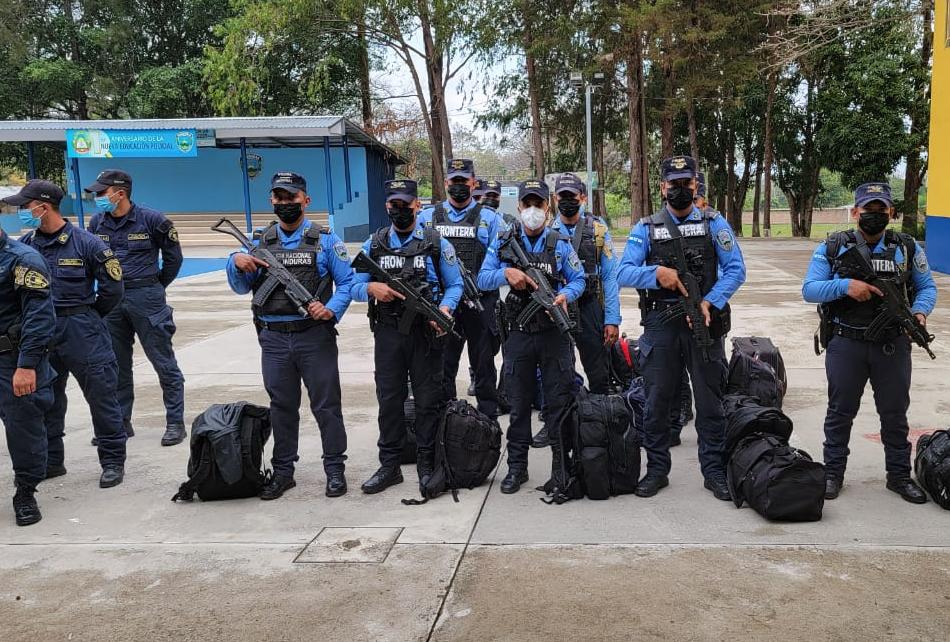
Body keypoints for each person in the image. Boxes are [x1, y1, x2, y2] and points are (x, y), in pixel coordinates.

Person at [617, 155, 746, 500]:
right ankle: (657, 470)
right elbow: (622, 272)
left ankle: (714, 471)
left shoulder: (714, 223)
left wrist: (710, 301)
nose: (679, 190)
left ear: (696, 185)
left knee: (709, 402)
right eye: (673, 184)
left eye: (686, 184)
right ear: (662, 187)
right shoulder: (646, 228)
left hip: (702, 323)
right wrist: (656, 275)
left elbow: (736, 269)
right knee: (657, 401)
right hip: (660, 324)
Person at [802, 182, 936, 504]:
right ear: (855, 212)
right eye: (868, 209)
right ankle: (833, 474)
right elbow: (810, 289)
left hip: (892, 345)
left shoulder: (907, 248)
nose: (874, 215)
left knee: (894, 414)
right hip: (846, 342)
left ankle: (899, 477)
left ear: (890, 212)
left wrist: (919, 313)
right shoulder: (834, 246)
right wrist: (846, 286)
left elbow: (927, 287)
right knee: (840, 412)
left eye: (880, 209)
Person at [226, 172, 354, 500]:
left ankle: (335, 469)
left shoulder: (327, 241)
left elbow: (348, 283)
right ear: (272, 200)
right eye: (279, 198)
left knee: (326, 405)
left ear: (305, 200)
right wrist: (236, 264)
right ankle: (284, 472)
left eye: (291, 198)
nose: (285, 204)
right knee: (281, 406)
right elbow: (242, 288)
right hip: (273, 337)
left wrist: (331, 309)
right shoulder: (259, 241)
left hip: (314, 336)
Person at [8, 181, 127, 489]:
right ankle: (52, 461)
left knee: (101, 397)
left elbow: (113, 289)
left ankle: (112, 461)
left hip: (80, 328)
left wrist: (89, 317)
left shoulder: (87, 244)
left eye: (25, 206)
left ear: (42, 207)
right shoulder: (24, 246)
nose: (22, 212)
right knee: (46, 399)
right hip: (39, 333)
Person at [351, 179, 463, 494]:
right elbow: (351, 284)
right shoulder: (374, 243)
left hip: (426, 333)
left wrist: (445, 308)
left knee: (428, 401)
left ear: (417, 205)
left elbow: (455, 284)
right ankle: (389, 465)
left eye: (405, 204)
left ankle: (427, 463)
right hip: (388, 334)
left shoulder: (436, 242)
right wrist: (371, 288)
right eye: (393, 204)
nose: (399, 209)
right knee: (389, 400)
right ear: (387, 206)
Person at [477, 178, 585, 494]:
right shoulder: (503, 241)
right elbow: (483, 278)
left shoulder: (559, 242)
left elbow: (579, 278)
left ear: (546, 207)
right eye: (529, 204)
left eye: (539, 204)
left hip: (553, 334)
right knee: (520, 403)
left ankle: (560, 469)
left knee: (558, 403)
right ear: (520, 207)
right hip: (519, 334)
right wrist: (505, 274)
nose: (534, 210)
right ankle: (516, 469)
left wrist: (565, 294)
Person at [85, 170, 186, 446]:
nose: (98, 198)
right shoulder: (96, 223)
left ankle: (175, 422)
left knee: (163, 362)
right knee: (116, 364)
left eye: (102, 193)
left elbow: (174, 259)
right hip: (111, 300)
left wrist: (154, 286)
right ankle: (121, 423)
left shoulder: (152, 220)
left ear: (120, 192)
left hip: (146, 296)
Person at [419, 159, 507, 420]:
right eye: (454, 180)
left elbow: (501, 260)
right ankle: (447, 418)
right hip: (443, 303)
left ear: (473, 183)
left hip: (480, 302)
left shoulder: (491, 219)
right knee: (443, 362)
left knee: (484, 363)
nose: (458, 185)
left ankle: (487, 418)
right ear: (446, 182)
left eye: (463, 181)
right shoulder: (428, 217)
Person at [0, 203, 56, 525]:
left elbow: (39, 318)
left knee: (24, 430)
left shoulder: (23, 260)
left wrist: (27, 365)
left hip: (12, 361)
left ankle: (25, 492)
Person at [550, 172, 620, 395]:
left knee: (598, 371)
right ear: (555, 199)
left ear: (583, 198)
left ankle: (600, 418)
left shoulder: (598, 230)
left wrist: (611, 319)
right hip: (558, 308)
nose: (567, 201)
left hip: (590, 307)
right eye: (562, 197)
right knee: (559, 370)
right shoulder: (548, 231)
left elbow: (610, 278)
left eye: (573, 196)